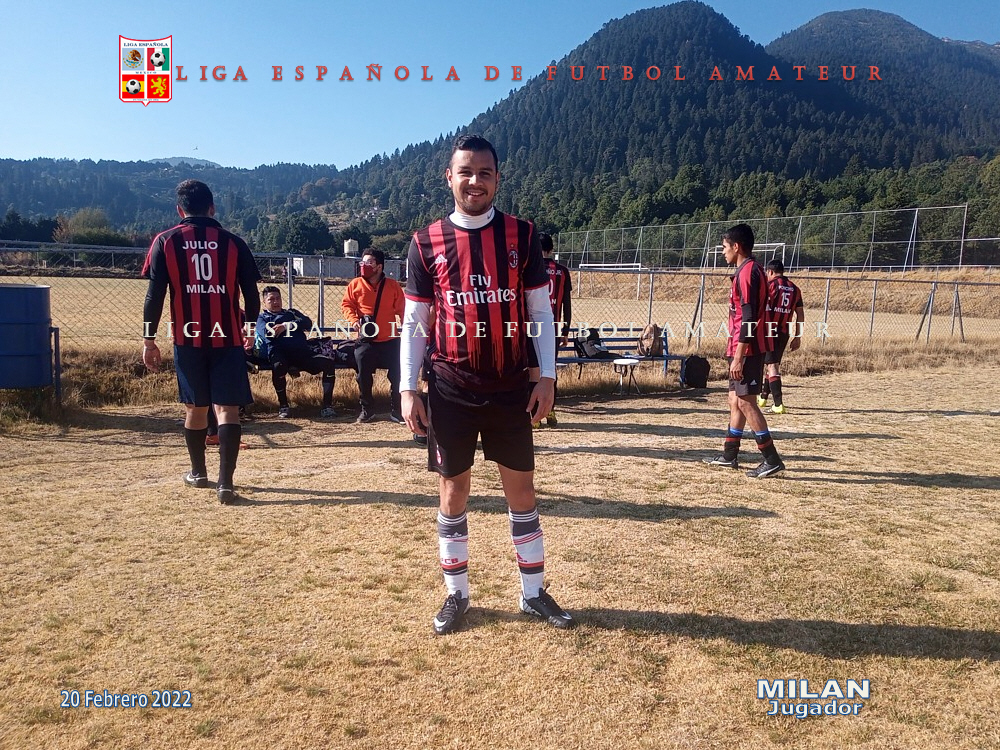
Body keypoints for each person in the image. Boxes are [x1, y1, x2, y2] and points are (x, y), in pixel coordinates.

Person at [400, 134, 574, 635]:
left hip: (510, 386)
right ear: (449, 177)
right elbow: (415, 321)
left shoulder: (522, 235)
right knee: (453, 491)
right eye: (466, 172)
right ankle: (456, 594)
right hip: (450, 387)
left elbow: (540, 312)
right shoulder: (425, 242)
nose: (475, 181)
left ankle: (533, 593)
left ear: (498, 178)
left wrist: (547, 376)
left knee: (522, 491)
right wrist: (407, 388)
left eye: (485, 173)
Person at [141, 179, 261, 504]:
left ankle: (198, 473)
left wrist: (149, 339)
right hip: (228, 337)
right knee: (228, 409)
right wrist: (250, 329)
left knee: (195, 408)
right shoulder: (234, 243)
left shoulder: (165, 241)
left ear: (180, 210)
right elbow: (251, 294)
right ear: (212, 208)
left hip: (188, 338)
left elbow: (154, 296)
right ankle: (226, 484)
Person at [703, 223, 785, 479]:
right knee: (734, 399)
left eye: (724, 247)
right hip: (741, 346)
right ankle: (730, 455)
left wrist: (739, 356)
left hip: (748, 349)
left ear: (736, 247)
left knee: (746, 402)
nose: (723, 252)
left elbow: (749, 317)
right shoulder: (750, 269)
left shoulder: (748, 272)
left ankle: (771, 459)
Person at [341, 249, 405, 423]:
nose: (364, 266)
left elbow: (403, 310)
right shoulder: (355, 284)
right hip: (366, 341)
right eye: (363, 262)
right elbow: (347, 305)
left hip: (390, 340)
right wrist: (354, 320)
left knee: (398, 374)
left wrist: (407, 328)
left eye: (369, 262)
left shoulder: (392, 286)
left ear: (379, 266)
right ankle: (367, 409)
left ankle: (397, 409)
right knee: (363, 374)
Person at [257, 286, 339, 418]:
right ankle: (284, 406)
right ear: (264, 302)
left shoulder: (291, 313)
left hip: (301, 353)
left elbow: (307, 323)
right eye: (271, 299)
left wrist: (286, 326)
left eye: (278, 298)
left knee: (328, 363)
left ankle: (327, 407)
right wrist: (290, 326)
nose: (276, 302)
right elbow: (268, 333)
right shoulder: (262, 318)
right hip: (279, 353)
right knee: (278, 366)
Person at [757, 259, 805, 414]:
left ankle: (778, 404)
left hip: (768, 331)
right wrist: (798, 336)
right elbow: (800, 314)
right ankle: (763, 397)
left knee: (772, 366)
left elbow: (759, 307)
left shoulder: (770, 286)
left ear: (770, 272)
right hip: (784, 332)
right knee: (772, 363)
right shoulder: (795, 289)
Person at [535, 232, 572, 427]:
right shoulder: (562, 271)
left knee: (532, 371)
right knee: (550, 370)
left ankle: (534, 415)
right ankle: (550, 410)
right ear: (551, 249)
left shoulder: (530, 268)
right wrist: (565, 332)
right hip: (554, 329)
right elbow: (567, 305)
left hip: (531, 328)